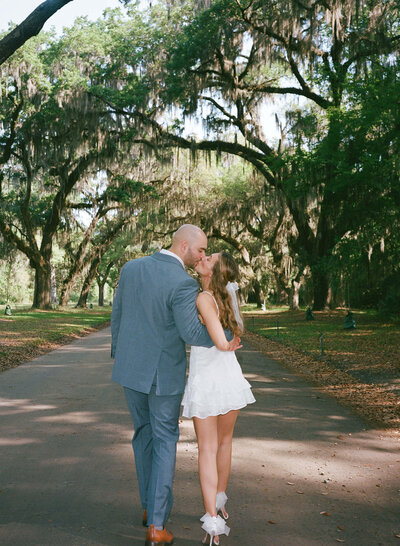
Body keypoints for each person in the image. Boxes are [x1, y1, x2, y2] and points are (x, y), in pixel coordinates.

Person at [111, 225, 240, 546]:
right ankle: (156, 525)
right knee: (165, 440)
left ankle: (147, 506)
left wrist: (120, 354)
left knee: (143, 435)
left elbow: (118, 315)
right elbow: (192, 334)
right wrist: (225, 336)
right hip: (162, 375)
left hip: (129, 370)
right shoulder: (183, 283)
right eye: (201, 250)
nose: (202, 256)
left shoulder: (131, 268)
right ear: (185, 246)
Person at [181, 251, 256, 546]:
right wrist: (229, 343)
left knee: (207, 449)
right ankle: (220, 503)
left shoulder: (204, 299)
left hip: (209, 381)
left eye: (208, 258)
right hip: (230, 379)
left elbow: (219, 340)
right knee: (224, 444)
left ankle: (212, 523)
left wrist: (226, 344)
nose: (202, 257)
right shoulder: (227, 296)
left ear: (215, 270)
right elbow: (235, 331)